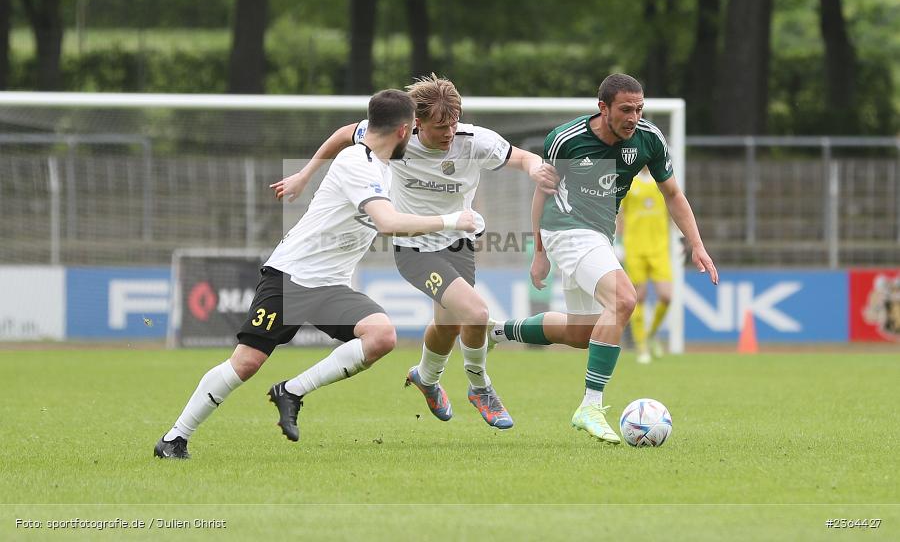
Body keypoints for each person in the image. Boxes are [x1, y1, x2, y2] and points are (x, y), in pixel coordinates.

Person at [154, 89, 478, 459]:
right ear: (404, 131)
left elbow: (344, 132)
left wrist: (303, 175)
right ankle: (174, 438)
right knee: (246, 363)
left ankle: (291, 391)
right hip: (291, 277)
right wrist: (453, 220)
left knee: (381, 335)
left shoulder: (374, 146)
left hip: (330, 286)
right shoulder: (360, 165)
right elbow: (388, 224)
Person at [270, 74, 557, 430]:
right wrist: (305, 174)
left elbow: (524, 158)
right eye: (440, 126)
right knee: (477, 312)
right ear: (415, 124)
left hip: (457, 243)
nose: (449, 132)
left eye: (453, 123)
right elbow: (345, 133)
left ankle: (425, 377)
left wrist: (536, 169)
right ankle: (480, 387)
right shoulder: (398, 138)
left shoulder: (474, 141)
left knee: (448, 326)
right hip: (415, 248)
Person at [487, 73, 718, 444]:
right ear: (603, 108)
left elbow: (673, 194)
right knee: (624, 299)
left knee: (582, 334)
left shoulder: (648, 139)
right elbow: (542, 193)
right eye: (625, 109)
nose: (633, 117)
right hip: (566, 229)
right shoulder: (566, 139)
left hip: (599, 236)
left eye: (639, 109)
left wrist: (697, 244)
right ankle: (590, 406)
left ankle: (495, 331)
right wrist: (539, 252)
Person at [617, 165, 673, 364]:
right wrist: (618, 243)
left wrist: (681, 237)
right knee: (638, 297)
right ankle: (641, 346)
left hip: (659, 249)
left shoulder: (663, 180)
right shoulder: (629, 182)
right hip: (635, 248)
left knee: (666, 296)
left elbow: (674, 206)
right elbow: (620, 215)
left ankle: (651, 334)